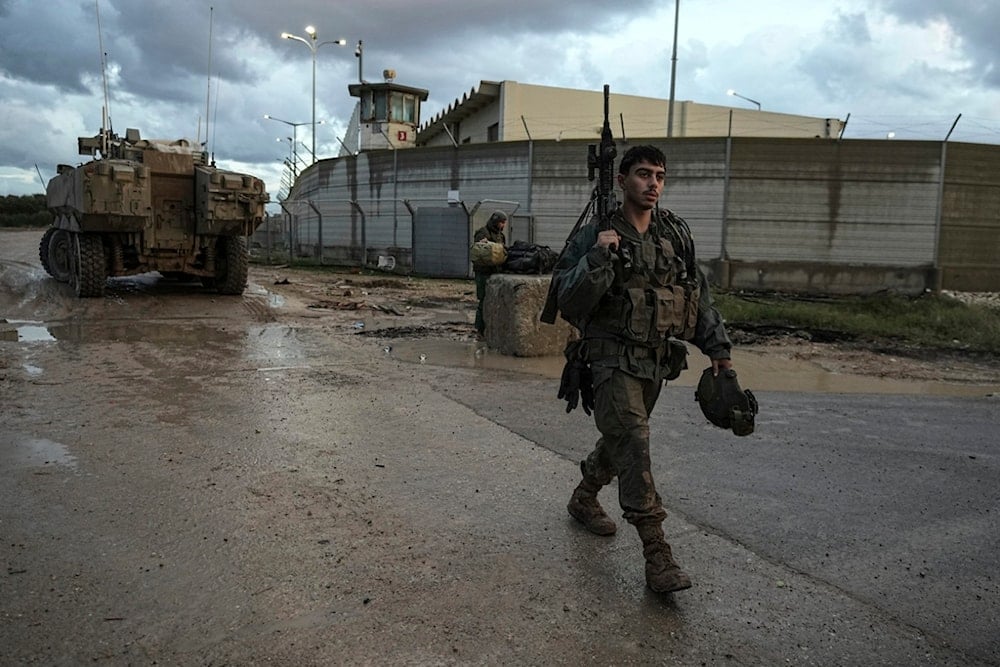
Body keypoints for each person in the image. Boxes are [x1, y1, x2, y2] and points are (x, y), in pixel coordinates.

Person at [551, 145, 734, 594]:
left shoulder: (672, 235)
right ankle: (658, 554)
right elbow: (564, 299)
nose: (652, 184)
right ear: (621, 181)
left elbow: (697, 296)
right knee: (634, 442)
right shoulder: (597, 232)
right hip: (610, 359)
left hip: (654, 361)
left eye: (659, 176)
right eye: (642, 175)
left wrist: (720, 352)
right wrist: (597, 259)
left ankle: (583, 496)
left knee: (621, 443)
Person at [472, 210, 508, 336]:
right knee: (483, 300)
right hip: (483, 273)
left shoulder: (501, 236)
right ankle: (480, 329)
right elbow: (479, 252)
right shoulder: (483, 233)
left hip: (497, 273)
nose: (503, 226)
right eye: (501, 222)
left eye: (504, 223)